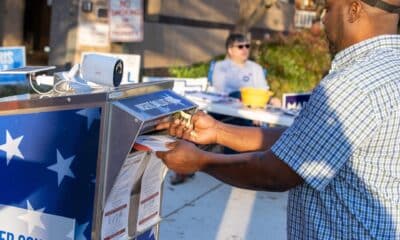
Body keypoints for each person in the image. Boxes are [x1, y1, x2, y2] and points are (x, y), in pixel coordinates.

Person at [156, 0, 400, 238]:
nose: (323, 19)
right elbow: (307, 142)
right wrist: (219, 130)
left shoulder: (352, 83)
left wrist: (200, 160)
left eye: (328, 8)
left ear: (354, 9)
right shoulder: (390, 68)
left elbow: (276, 173)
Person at [211, 33, 269, 98]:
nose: (245, 49)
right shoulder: (221, 66)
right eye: (240, 47)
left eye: (247, 46)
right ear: (230, 50)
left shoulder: (257, 68)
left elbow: (263, 91)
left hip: (254, 105)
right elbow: (220, 91)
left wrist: (271, 100)